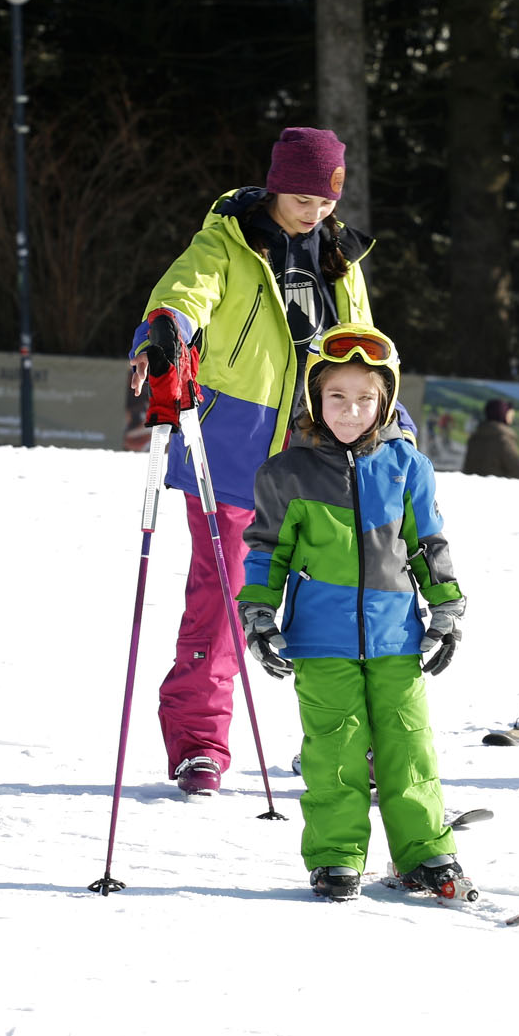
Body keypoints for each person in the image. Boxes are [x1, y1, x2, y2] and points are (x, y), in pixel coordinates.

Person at [128, 126, 402, 797]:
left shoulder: (341, 258)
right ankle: (199, 743)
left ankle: (343, 742)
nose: (315, 212)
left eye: (327, 200)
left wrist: (387, 415)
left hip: (318, 450)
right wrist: (161, 332)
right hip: (232, 453)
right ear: (277, 186)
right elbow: (183, 296)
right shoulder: (226, 243)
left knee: (335, 600)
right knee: (223, 599)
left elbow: (361, 345)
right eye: (303, 198)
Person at [235, 323, 467, 901]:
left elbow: (427, 543)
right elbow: (265, 552)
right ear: (315, 396)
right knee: (334, 750)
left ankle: (426, 851)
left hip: (396, 636)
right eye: (337, 396)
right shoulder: (285, 474)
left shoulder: (406, 466)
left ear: (385, 401)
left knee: (408, 746)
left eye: (366, 398)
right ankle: (336, 856)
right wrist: (258, 614)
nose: (351, 410)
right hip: (320, 639)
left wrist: (446, 608)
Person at [461, 398, 519, 479]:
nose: (512, 417)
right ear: (503, 414)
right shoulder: (503, 441)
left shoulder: (474, 438)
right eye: (510, 414)